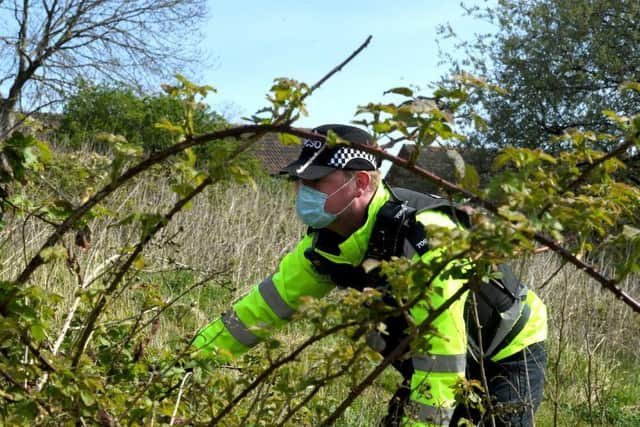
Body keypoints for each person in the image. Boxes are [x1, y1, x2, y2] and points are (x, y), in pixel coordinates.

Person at [192, 124, 548, 426]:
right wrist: (186, 366)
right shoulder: (326, 245)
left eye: (315, 182)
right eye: (299, 182)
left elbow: (441, 358)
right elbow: (261, 311)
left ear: (361, 182)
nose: (301, 193)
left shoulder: (424, 239)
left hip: (504, 350)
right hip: (431, 359)